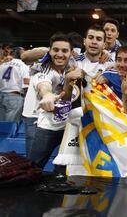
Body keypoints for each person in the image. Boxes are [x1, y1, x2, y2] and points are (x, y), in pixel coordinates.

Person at [26, 33, 82, 168]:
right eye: (55, 50)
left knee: (63, 164)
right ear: (49, 51)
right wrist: (47, 95)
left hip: (62, 121)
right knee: (33, 166)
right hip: (38, 119)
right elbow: (43, 85)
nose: (60, 54)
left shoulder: (72, 65)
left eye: (64, 50)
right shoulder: (42, 68)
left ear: (71, 53)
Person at [0, 47, 30, 122]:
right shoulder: (23, 65)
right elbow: (26, 83)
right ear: (22, 54)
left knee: (1, 124)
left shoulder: (3, 64)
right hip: (14, 96)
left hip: (1, 94)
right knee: (10, 125)